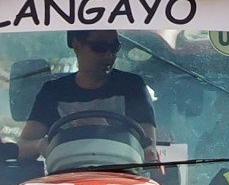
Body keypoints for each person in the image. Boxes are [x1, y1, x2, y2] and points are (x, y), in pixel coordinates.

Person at [17, 29, 158, 160]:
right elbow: (22, 146)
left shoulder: (132, 86)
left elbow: (148, 150)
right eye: (99, 47)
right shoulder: (53, 92)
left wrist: (105, 132)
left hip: (123, 178)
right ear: (76, 45)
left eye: (114, 48)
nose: (109, 55)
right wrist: (40, 145)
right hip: (66, 177)